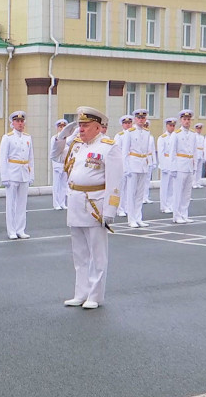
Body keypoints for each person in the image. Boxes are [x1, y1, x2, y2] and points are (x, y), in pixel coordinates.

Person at [50, 106, 122, 309]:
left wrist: (110, 210)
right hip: (75, 201)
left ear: (98, 127)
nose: (81, 129)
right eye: (80, 125)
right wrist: (62, 136)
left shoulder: (109, 147)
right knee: (79, 253)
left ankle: (95, 295)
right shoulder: (77, 146)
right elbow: (56, 156)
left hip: (95, 204)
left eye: (86, 126)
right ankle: (80, 293)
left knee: (97, 254)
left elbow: (115, 182)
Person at [0, 111, 34, 239]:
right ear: (12, 123)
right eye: (18, 121)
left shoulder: (27, 137)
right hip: (12, 173)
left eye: (22, 121)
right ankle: (12, 230)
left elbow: (31, 158)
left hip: (24, 172)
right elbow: (3, 158)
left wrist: (31, 175)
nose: (20, 124)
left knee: (22, 203)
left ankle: (21, 229)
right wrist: (4, 176)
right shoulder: (7, 137)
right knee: (11, 204)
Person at [122, 109, 153, 228]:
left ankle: (138, 217)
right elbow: (125, 152)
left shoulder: (146, 132)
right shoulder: (129, 132)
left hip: (143, 164)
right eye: (139, 118)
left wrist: (148, 163)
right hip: (133, 164)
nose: (141, 120)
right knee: (131, 193)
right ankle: (131, 219)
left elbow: (146, 151)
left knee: (140, 193)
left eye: (143, 118)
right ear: (135, 119)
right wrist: (126, 168)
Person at [168, 110, 197, 224]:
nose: (187, 121)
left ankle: (184, 214)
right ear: (181, 120)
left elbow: (195, 151)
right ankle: (177, 215)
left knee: (187, 193)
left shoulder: (193, 134)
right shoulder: (176, 134)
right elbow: (172, 152)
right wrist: (173, 168)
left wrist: (194, 166)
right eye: (184, 119)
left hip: (189, 164)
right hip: (180, 165)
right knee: (178, 192)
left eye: (188, 119)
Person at [114, 115, 132, 217]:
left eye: (129, 123)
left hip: (132, 163)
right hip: (122, 163)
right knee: (121, 188)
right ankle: (120, 208)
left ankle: (127, 207)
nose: (128, 125)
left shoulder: (133, 134)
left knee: (130, 189)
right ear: (122, 125)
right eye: (125, 123)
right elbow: (117, 152)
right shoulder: (119, 136)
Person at [158, 118, 176, 213]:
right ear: (166, 126)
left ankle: (170, 204)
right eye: (170, 125)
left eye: (173, 126)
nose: (172, 127)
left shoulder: (175, 136)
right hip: (166, 162)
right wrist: (163, 165)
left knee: (172, 186)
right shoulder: (162, 137)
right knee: (165, 186)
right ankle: (164, 206)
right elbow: (161, 153)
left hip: (173, 163)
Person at [51, 119, 69, 210]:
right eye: (60, 126)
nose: (62, 128)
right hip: (57, 163)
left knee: (63, 184)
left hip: (65, 163)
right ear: (57, 128)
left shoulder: (68, 138)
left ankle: (62, 202)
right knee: (56, 185)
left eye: (63, 126)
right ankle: (56, 203)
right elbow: (53, 152)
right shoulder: (55, 138)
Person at [192, 123, 205, 188]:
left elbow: (204, 146)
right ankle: (194, 182)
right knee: (195, 169)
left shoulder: (202, 137)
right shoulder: (194, 136)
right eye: (198, 128)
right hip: (196, 152)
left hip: (201, 153)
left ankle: (198, 182)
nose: (199, 130)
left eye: (200, 128)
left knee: (199, 169)